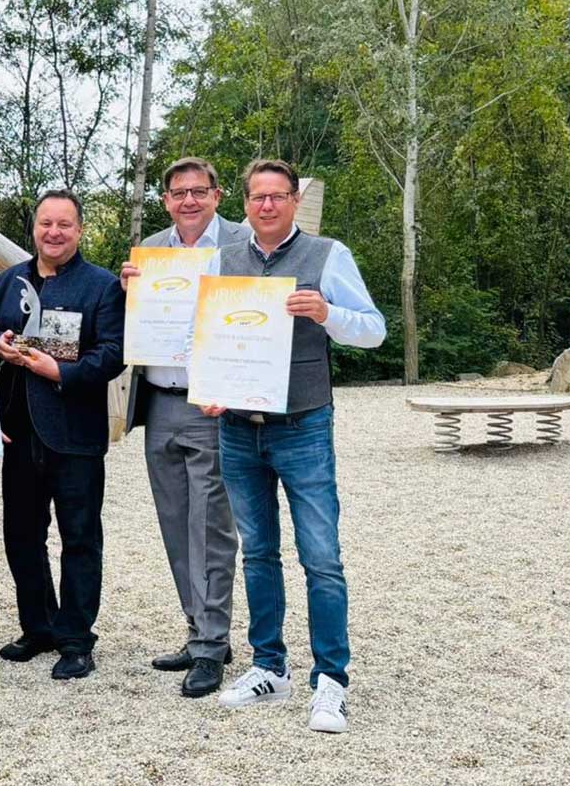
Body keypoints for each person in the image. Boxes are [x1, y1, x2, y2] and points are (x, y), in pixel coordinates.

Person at [207, 159, 385, 734]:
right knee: (257, 552)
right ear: (245, 203)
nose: (266, 206)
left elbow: (374, 329)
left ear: (293, 201)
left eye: (277, 196)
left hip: (303, 424)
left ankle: (330, 680)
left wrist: (328, 313)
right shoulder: (223, 259)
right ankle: (268, 665)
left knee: (322, 558)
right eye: (257, 197)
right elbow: (205, 334)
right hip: (237, 427)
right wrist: (209, 388)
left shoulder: (328, 255)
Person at [118, 157, 249, 698]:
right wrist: (126, 292)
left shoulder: (242, 246)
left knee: (211, 528)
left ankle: (212, 643)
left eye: (200, 191)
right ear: (167, 199)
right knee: (175, 522)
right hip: (160, 402)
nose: (189, 200)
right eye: (179, 192)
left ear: (217, 195)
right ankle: (200, 630)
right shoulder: (151, 250)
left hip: (214, 404)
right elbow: (131, 325)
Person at [0, 189, 125, 680]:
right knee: (21, 536)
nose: (54, 232)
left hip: (74, 434)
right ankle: (39, 625)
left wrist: (59, 372)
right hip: (17, 431)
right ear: (35, 228)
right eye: (46, 223)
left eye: (64, 224)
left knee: (80, 539)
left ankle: (76, 638)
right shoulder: (10, 280)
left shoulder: (103, 286)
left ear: (79, 230)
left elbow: (112, 356)